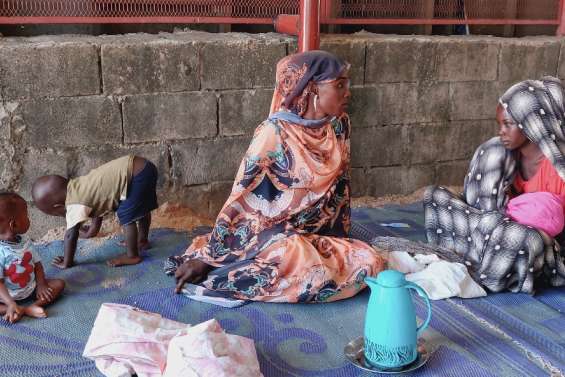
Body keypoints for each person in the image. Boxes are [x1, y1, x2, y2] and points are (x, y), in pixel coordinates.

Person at [166, 50, 385, 304]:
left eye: (347, 84)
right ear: (312, 89)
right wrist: (209, 257)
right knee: (304, 264)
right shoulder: (274, 134)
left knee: (369, 262)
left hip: (316, 234)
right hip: (272, 235)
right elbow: (240, 201)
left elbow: (340, 193)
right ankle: (229, 270)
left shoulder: (338, 126)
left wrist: (337, 241)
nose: (348, 92)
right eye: (339, 85)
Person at [424, 76, 565, 294]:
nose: (501, 131)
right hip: (491, 226)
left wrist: (503, 225)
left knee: (518, 237)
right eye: (499, 124)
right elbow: (481, 203)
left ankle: (481, 257)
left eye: (508, 124)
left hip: (531, 240)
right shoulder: (503, 155)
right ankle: (484, 252)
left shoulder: (557, 169)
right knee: (435, 196)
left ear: (531, 123)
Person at [31, 155, 158, 268]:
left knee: (126, 216)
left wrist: (67, 262)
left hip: (134, 175)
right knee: (142, 209)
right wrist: (92, 231)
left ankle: (132, 256)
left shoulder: (73, 204)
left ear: (57, 206)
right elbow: (98, 207)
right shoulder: (78, 186)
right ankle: (142, 240)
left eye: (53, 214)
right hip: (143, 167)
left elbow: (70, 235)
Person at [0, 193, 65, 323]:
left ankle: (29, 307)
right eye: (27, 216)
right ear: (14, 225)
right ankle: (17, 308)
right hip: (6, 298)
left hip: (31, 288)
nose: (29, 219)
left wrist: (41, 285)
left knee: (59, 284)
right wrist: (10, 302)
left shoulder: (26, 241)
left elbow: (38, 265)